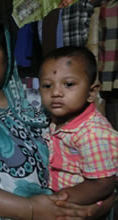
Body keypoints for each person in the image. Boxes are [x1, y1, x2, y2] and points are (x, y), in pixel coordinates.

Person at [0, 19, 106, 220]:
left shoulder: (40, 99)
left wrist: (99, 205)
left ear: (6, 53)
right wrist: (30, 209)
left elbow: (92, 143)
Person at [39, 46, 118, 216]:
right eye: (47, 85)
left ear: (91, 92)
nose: (56, 93)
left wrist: (61, 199)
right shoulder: (52, 120)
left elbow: (103, 184)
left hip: (80, 205)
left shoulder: (92, 133)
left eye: (68, 84)